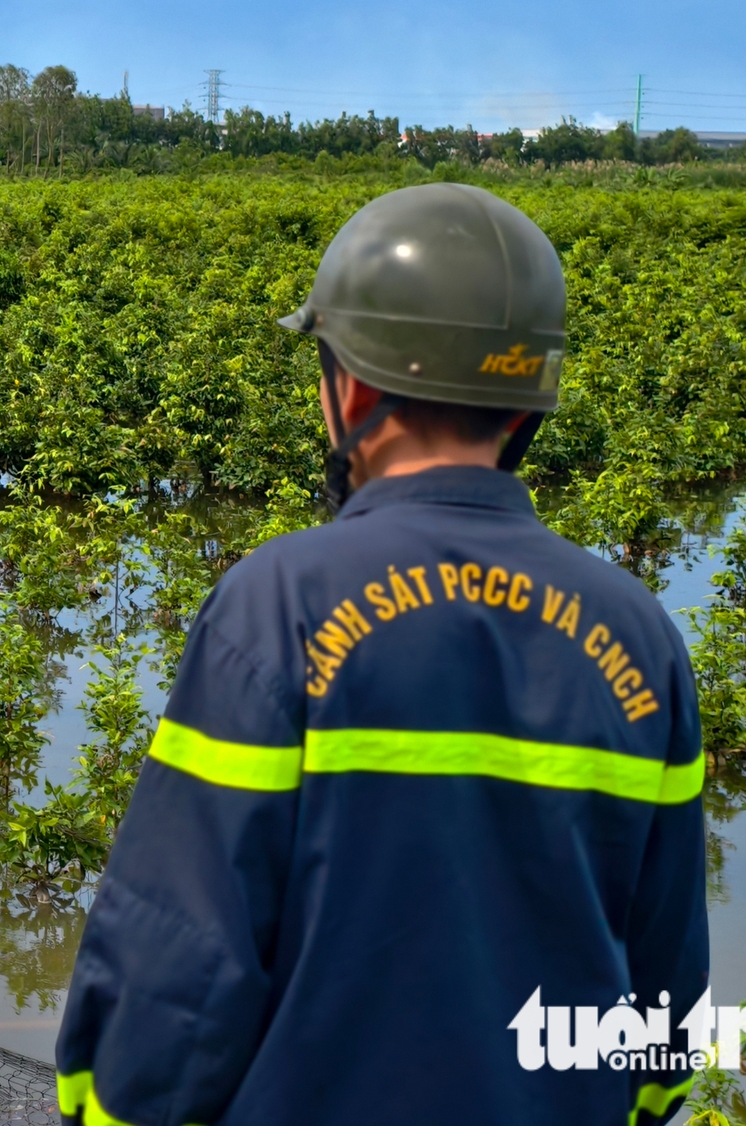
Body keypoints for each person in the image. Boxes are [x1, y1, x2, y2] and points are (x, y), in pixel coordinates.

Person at [55, 184, 708, 1126]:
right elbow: (666, 992)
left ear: (351, 386)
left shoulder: (278, 608)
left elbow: (176, 966)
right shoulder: (641, 638)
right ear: (528, 400)